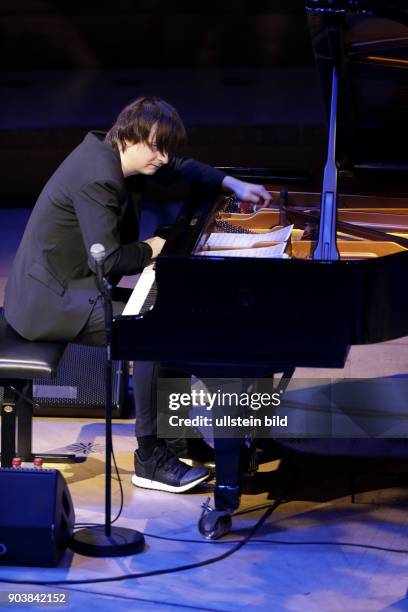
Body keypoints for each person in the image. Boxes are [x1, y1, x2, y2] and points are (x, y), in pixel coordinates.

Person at [4, 96, 271, 492]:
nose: (163, 158)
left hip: (65, 286)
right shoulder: (98, 176)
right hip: (48, 302)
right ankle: (149, 456)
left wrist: (232, 183)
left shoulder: (113, 152)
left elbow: (180, 166)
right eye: (156, 147)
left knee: (174, 318)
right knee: (151, 332)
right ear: (129, 135)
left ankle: (177, 442)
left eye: (166, 147)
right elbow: (110, 260)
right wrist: (155, 248)